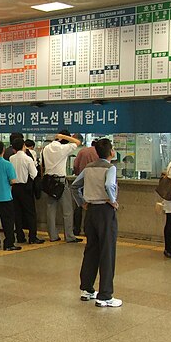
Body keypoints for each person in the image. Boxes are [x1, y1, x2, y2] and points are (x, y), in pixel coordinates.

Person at [71, 138, 121, 308]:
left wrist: (82, 202)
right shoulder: (110, 167)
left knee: (91, 249)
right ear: (111, 152)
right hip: (105, 212)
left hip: (91, 212)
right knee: (107, 251)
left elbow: (74, 186)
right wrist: (113, 200)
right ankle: (105, 295)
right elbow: (109, 184)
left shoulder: (88, 168)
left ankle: (87, 289)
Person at [43, 130, 82, 243]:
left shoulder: (46, 148)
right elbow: (77, 142)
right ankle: (69, 236)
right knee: (67, 210)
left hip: (49, 181)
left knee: (50, 210)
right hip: (60, 182)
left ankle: (53, 236)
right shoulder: (62, 148)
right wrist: (63, 136)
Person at [9, 138, 44, 244]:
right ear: (23, 146)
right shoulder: (28, 159)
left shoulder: (11, 158)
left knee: (17, 213)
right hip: (25, 188)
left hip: (14, 188)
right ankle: (32, 237)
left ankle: (20, 236)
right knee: (30, 213)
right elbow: (34, 174)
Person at [72, 137, 99, 237]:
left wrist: (77, 173)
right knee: (92, 206)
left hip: (81, 181)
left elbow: (75, 165)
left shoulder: (82, 151)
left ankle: (76, 229)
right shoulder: (99, 154)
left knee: (79, 206)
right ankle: (90, 230)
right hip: (93, 184)